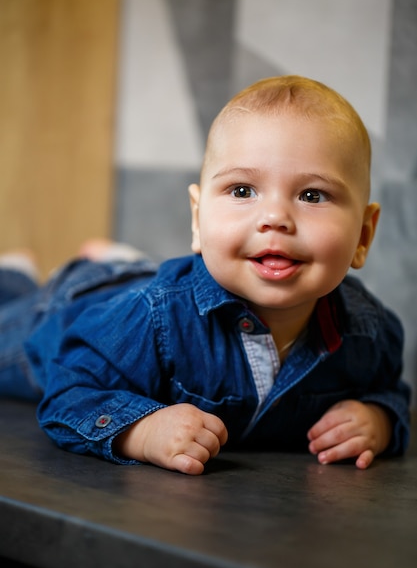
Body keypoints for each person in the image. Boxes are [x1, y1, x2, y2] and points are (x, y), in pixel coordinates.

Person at [0, 75, 411, 475]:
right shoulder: (153, 318)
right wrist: (141, 430)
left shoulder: (369, 332)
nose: (274, 218)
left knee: (153, 279)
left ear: (363, 234)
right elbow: (67, 388)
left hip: (154, 282)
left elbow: (391, 389)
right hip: (69, 310)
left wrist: (378, 419)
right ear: (198, 219)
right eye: (242, 190)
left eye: (312, 195)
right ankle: (17, 273)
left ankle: (118, 260)